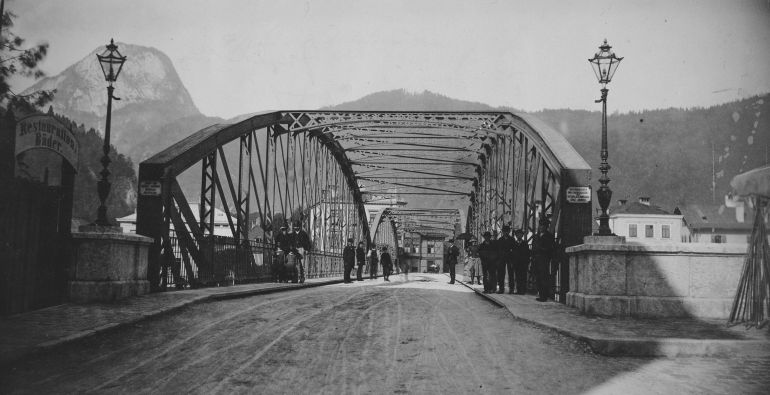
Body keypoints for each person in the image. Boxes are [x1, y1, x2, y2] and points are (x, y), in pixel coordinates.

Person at [532, 218, 556, 302]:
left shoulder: (549, 236)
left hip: (544, 259)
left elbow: (550, 248)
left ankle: (544, 296)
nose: (541, 227)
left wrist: (541, 249)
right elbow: (533, 247)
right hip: (536, 259)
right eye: (540, 225)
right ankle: (541, 294)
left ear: (546, 227)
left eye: (543, 226)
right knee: (538, 277)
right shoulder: (536, 236)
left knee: (543, 277)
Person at [496, 225, 514, 294]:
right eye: (504, 231)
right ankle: (501, 289)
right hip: (502, 258)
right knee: (501, 274)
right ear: (503, 232)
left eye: (507, 231)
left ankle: (511, 289)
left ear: (509, 231)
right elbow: (498, 250)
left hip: (510, 258)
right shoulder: (500, 240)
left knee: (511, 273)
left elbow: (514, 249)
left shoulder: (512, 239)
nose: (506, 232)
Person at [512, 228, 530, 294]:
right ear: (516, 236)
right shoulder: (514, 244)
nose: (519, 236)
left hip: (523, 263)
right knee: (517, 277)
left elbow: (527, 254)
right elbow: (513, 254)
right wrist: (513, 263)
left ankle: (523, 290)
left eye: (520, 234)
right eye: (517, 235)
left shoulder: (525, 244)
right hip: (516, 263)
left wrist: (527, 262)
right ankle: (518, 290)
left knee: (523, 277)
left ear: (522, 235)